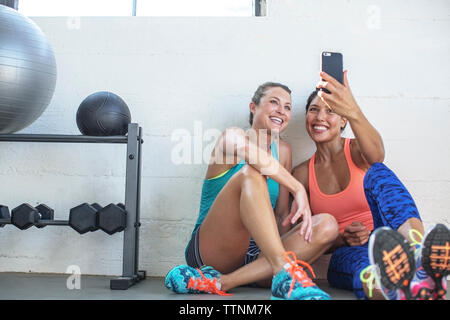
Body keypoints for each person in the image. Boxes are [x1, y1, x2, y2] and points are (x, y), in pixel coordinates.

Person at [164, 82, 340, 300]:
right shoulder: (231, 137)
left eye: (287, 107)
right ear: (253, 107)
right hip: (214, 250)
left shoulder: (283, 151)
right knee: (252, 173)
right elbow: (251, 155)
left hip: (257, 256)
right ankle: (284, 273)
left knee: (327, 225)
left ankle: (222, 282)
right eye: (273, 102)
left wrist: (287, 247)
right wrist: (298, 188)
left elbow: (281, 215)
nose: (281, 111)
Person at [292, 70, 448, 300]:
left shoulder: (358, 151)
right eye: (313, 109)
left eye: (331, 110)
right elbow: (302, 237)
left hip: (392, 235)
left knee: (378, 171)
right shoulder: (302, 173)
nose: (320, 117)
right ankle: (414, 291)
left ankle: (417, 251)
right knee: (366, 270)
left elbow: (378, 154)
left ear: (344, 118)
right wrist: (341, 239)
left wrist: (352, 107)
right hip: (348, 249)